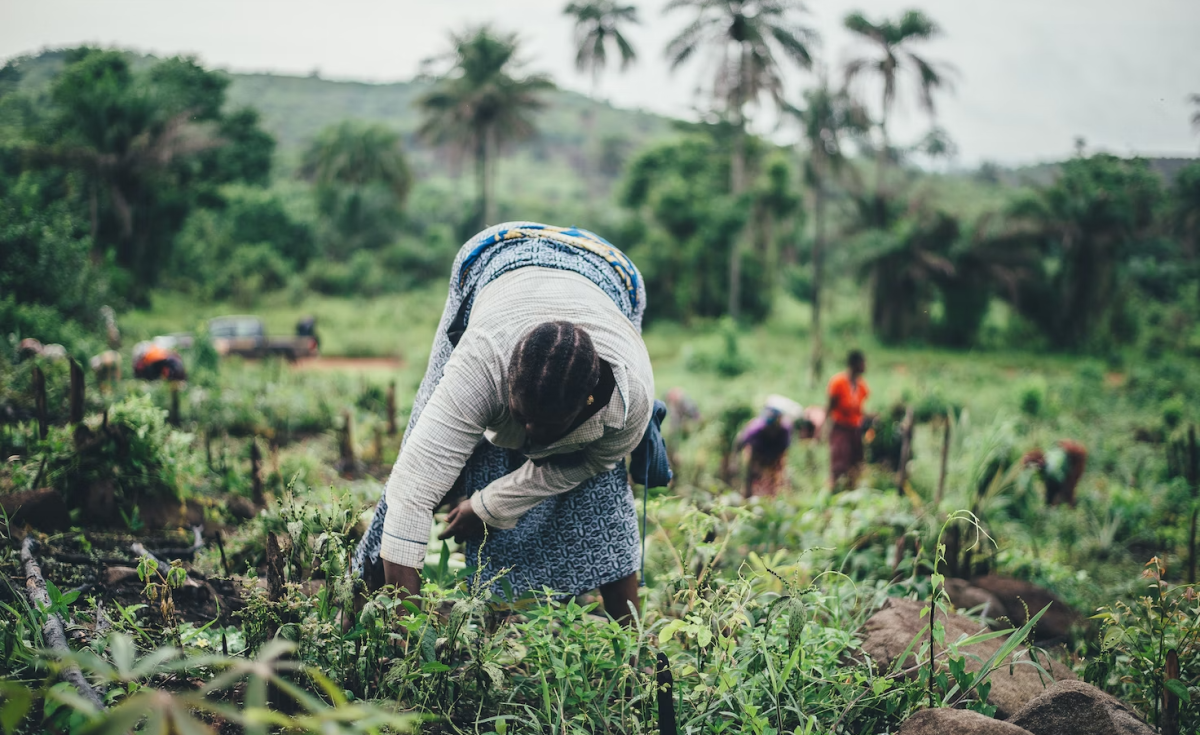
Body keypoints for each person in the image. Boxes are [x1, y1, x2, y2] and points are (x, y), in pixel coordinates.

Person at [353, 222, 660, 623]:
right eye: (521, 419)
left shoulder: (627, 400)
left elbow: (584, 465)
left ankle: (630, 643)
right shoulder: (482, 362)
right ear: (505, 383)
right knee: (420, 449)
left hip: (612, 273)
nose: (529, 438)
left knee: (602, 491)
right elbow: (413, 491)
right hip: (496, 256)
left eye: (545, 429)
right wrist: (409, 635)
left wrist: (488, 505)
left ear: (586, 405)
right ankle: (363, 598)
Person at [827, 350, 869, 487]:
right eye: (863, 363)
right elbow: (830, 407)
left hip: (855, 429)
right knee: (839, 462)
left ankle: (851, 490)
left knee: (855, 463)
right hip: (840, 427)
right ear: (855, 364)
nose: (865, 366)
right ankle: (833, 490)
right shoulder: (838, 382)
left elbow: (859, 409)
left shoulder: (862, 386)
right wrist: (824, 426)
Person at [736, 405, 793, 498]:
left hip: (774, 454)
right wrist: (735, 461)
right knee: (752, 475)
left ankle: (772, 497)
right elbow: (740, 442)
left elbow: (783, 450)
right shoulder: (755, 429)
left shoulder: (785, 429)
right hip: (757, 453)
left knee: (774, 478)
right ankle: (748, 497)